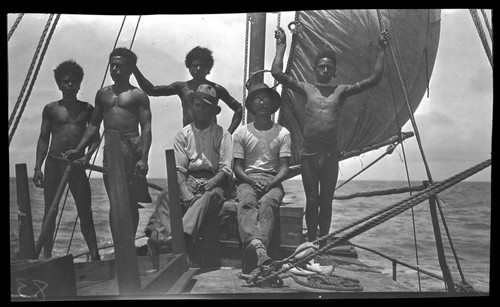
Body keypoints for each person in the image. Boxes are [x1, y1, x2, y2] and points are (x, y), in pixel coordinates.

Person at [271, 27, 390, 247]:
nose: (325, 70)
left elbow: (374, 79)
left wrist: (382, 49)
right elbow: (277, 73)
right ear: (315, 69)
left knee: (326, 201)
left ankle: (323, 242)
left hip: (330, 154)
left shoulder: (341, 91)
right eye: (322, 67)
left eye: (329, 68)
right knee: (312, 199)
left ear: (334, 71)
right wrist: (281, 45)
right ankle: (312, 242)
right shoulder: (306, 88)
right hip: (308, 154)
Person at [64, 47, 152, 238]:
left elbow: (146, 128)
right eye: (112, 65)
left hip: (132, 145)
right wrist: (79, 149)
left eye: (119, 66)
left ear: (130, 68)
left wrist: (144, 158)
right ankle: (118, 245)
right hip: (111, 148)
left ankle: (128, 242)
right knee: (115, 200)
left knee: (130, 201)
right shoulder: (102, 94)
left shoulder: (138, 95)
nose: (114, 69)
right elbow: (94, 125)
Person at [144, 84, 233, 258]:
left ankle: (180, 238)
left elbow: (226, 169)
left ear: (213, 111)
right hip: (190, 179)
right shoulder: (182, 135)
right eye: (198, 105)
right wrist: (184, 189)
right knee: (165, 194)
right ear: (192, 106)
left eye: (206, 106)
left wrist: (211, 183)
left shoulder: (223, 135)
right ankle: (165, 240)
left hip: (216, 182)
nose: (201, 109)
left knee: (206, 197)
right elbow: (180, 169)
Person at [33, 60, 100, 261]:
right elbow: (44, 138)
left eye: (73, 81)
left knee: (85, 213)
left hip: (77, 166)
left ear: (80, 84)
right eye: (65, 82)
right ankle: (47, 258)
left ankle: (96, 257)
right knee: (49, 212)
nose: (69, 85)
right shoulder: (51, 109)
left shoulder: (87, 109)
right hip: (54, 164)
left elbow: (95, 139)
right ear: (59, 84)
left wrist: (87, 157)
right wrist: (38, 167)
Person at [232, 83, 291, 274]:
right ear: (252, 105)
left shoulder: (283, 133)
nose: (263, 102)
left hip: (273, 180)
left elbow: (284, 168)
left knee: (267, 204)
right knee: (248, 201)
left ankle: (257, 252)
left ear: (273, 103)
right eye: (258, 98)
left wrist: (272, 183)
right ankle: (260, 253)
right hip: (247, 179)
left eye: (267, 98)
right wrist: (250, 181)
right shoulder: (241, 132)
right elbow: (237, 167)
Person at [133, 46, 242, 134]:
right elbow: (152, 90)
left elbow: (238, 109)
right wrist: (134, 68)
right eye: (195, 66)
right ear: (189, 68)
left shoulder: (216, 89)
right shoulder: (182, 87)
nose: (198, 69)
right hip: (188, 136)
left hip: (211, 137)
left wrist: (229, 133)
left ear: (208, 69)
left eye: (201, 66)